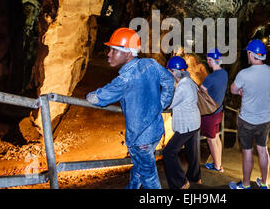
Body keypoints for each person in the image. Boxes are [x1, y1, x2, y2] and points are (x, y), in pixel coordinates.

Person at [86, 27, 175, 189]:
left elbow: (97, 98)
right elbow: (169, 79)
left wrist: (88, 95)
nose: (109, 54)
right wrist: (162, 103)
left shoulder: (124, 80)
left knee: (149, 176)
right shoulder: (151, 64)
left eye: (114, 50)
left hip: (141, 139)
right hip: (155, 130)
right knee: (141, 166)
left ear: (128, 53)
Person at [229, 39, 270, 189]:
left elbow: (233, 90)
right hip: (264, 119)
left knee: (247, 152)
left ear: (251, 54)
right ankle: (264, 182)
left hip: (247, 119)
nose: (247, 56)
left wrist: (243, 91)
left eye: (248, 53)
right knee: (263, 150)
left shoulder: (244, 74)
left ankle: (246, 184)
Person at [162, 56, 201, 189]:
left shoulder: (182, 86)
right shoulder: (189, 81)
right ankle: (195, 177)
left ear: (174, 71)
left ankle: (181, 182)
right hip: (195, 122)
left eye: (169, 71)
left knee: (168, 152)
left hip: (188, 125)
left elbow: (168, 104)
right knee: (192, 151)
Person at [200, 48, 228, 173]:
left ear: (211, 60)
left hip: (209, 114)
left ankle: (217, 166)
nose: (207, 62)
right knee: (216, 137)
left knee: (211, 140)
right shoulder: (224, 73)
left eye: (208, 59)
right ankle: (219, 162)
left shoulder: (210, 78)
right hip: (219, 112)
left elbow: (201, 92)